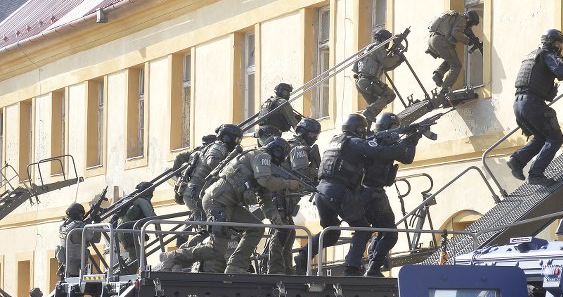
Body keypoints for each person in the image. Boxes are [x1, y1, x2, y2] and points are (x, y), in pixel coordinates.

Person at [296, 113, 420, 277]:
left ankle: (304, 255)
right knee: (362, 229)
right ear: (359, 129)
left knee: (331, 232)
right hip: (338, 191)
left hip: (321, 192)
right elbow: (382, 153)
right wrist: (407, 140)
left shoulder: (336, 140)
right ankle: (351, 269)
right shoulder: (355, 142)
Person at [159, 138, 302, 274]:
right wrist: (288, 183)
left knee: (256, 229)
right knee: (216, 249)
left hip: (228, 204)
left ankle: (235, 265)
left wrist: (273, 215)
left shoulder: (260, 166)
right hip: (218, 202)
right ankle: (172, 257)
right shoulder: (260, 156)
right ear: (277, 153)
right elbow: (265, 181)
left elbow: (264, 197)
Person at [505, 29, 563, 187]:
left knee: (541, 137)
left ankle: (517, 161)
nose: (560, 48)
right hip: (532, 103)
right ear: (553, 43)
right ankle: (536, 174)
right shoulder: (547, 55)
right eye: (559, 44)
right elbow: (561, 72)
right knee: (555, 138)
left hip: (519, 104)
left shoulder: (532, 56)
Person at [361, 113, 417, 277]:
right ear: (383, 128)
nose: (394, 132)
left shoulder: (390, 145)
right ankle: (370, 266)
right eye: (392, 128)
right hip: (367, 192)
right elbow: (380, 153)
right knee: (382, 233)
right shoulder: (371, 142)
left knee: (387, 233)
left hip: (377, 193)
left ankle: (373, 266)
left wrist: (413, 141)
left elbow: (407, 158)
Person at [266, 118, 322, 275]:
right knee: (281, 231)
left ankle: (286, 268)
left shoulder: (292, 145)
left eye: (315, 134)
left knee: (289, 233)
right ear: (303, 132)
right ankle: (276, 269)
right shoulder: (298, 148)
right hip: (280, 193)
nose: (313, 137)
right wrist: (321, 170)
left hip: (284, 193)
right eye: (311, 133)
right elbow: (302, 172)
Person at [180, 125, 242, 224]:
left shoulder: (216, 146)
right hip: (196, 193)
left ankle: (182, 238)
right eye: (236, 139)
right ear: (227, 137)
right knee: (208, 230)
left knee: (207, 228)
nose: (237, 142)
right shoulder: (219, 147)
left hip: (196, 193)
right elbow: (212, 162)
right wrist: (226, 174)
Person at [356, 29, 405, 124]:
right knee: (389, 95)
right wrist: (398, 56)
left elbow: (385, 67)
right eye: (388, 40)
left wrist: (398, 61)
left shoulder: (370, 48)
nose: (388, 44)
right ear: (384, 39)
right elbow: (387, 62)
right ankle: (369, 113)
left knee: (375, 107)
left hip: (361, 82)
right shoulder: (378, 48)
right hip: (368, 81)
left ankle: (368, 129)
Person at [426, 10, 479, 95]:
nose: (471, 26)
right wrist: (468, 41)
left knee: (451, 60)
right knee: (456, 65)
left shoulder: (455, 16)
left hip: (432, 40)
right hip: (440, 41)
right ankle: (445, 89)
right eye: (472, 24)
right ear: (470, 19)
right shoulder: (462, 19)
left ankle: (438, 75)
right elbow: (455, 33)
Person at [118, 182, 157, 273]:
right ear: (147, 192)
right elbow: (151, 216)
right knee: (136, 257)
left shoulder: (133, 200)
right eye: (151, 191)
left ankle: (121, 273)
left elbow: (134, 219)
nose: (152, 194)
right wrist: (158, 228)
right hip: (127, 231)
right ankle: (121, 274)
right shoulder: (141, 200)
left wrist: (141, 233)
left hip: (122, 230)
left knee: (135, 256)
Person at [55, 203, 100, 278]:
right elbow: (96, 239)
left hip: (66, 268)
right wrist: (97, 222)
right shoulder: (78, 227)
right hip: (77, 268)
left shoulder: (63, 226)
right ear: (79, 214)